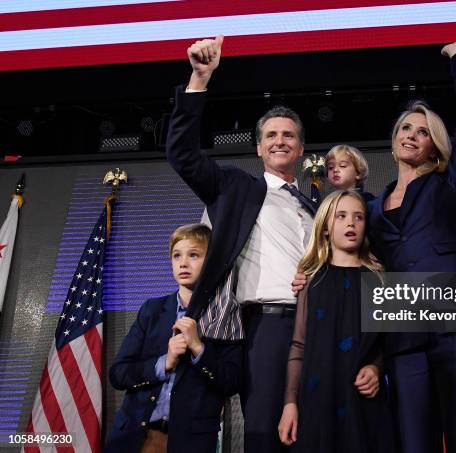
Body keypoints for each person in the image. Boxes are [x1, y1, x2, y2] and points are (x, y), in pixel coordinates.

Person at [166, 35, 316, 453]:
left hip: (318, 325)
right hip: (265, 327)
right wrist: (199, 79)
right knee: (266, 434)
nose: (280, 140)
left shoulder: (318, 206)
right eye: (271, 135)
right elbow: (181, 154)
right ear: (259, 147)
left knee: (319, 431)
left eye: (288, 134)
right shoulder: (236, 188)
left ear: (301, 148)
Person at [367, 41, 456, 452]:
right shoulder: (370, 208)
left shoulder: (448, 184)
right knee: (412, 435)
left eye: (423, 131)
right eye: (406, 128)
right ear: (394, 140)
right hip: (404, 332)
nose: (413, 135)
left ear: (433, 145)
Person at [106, 224, 241, 453]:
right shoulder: (152, 310)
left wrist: (199, 349)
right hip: (136, 436)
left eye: (194, 255)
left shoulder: (226, 315)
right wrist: (163, 363)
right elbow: (118, 374)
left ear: (212, 262)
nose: (183, 263)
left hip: (191, 442)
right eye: (177, 255)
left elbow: (231, 382)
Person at [278, 190, 394, 453]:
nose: (351, 223)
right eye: (341, 216)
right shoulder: (311, 279)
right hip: (318, 398)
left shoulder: (380, 279)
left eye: (358, 217)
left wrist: (376, 369)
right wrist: (290, 403)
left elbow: (387, 341)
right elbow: (299, 345)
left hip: (363, 399)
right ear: (326, 227)